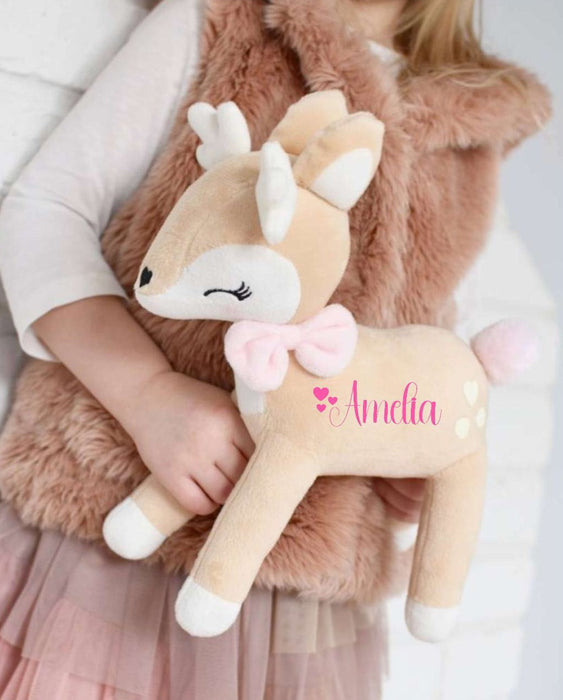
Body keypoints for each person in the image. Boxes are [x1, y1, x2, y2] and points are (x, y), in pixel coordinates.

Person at [0, 0, 550, 698]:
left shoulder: (477, 122)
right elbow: (45, 213)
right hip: (121, 545)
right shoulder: (222, 23)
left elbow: (415, 337)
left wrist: (402, 457)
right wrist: (146, 394)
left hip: (302, 610)